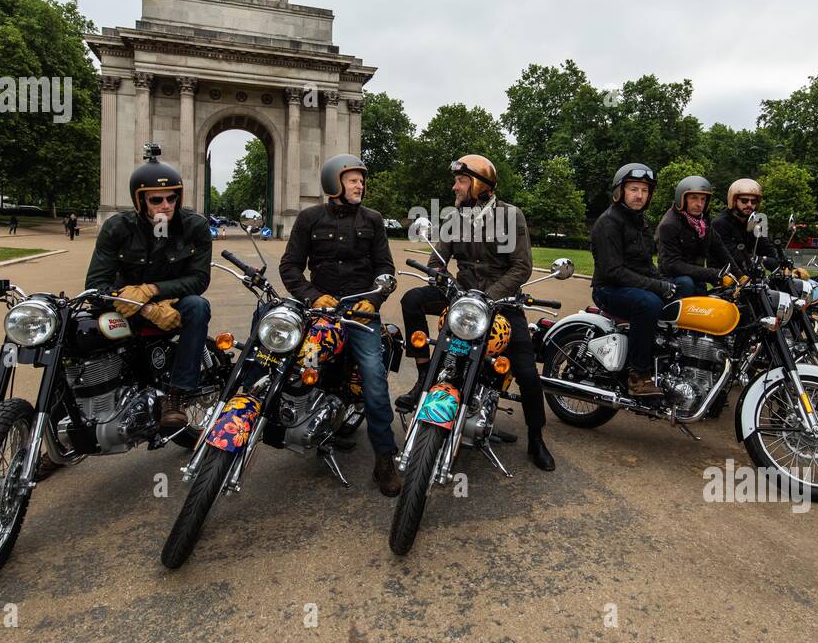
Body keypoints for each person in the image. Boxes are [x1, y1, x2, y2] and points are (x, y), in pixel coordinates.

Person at [394, 154, 555, 471]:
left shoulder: (511, 216)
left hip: (501, 301)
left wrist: (490, 296)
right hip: (462, 297)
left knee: (527, 372)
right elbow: (438, 258)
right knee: (411, 300)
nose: (455, 186)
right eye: (456, 181)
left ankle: (536, 437)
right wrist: (437, 272)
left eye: (461, 181)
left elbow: (521, 267)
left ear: (480, 183)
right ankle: (425, 375)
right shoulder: (455, 218)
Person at [278, 154, 402, 496]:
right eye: (353, 179)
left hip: (361, 312)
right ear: (335, 182)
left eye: (362, 179)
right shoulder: (309, 218)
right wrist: (312, 296)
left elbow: (386, 270)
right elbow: (290, 267)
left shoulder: (374, 220)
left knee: (375, 381)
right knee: (296, 364)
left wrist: (373, 301)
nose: (360, 184)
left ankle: (384, 458)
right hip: (322, 310)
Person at [85, 148, 212, 428]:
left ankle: (177, 394)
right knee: (78, 332)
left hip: (173, 301)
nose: (166, 205)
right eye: (157, 199)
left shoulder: (195, 226)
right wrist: (145, 307)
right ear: (140, 200)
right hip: (125, 303)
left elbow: (199, 280)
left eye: (172, 198)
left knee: (198, 306)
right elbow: (95, 286)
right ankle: (63, 424)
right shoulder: (116, 227)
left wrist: (152, 290)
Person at [589, 163, 677, 399]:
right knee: (648, 303)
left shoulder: (641, 222)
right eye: (634, 189)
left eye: (644, 190)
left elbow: (646, 265)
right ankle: (638, 375)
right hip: (608, 289)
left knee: (685, 292)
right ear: (620, 191)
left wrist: (666, 283)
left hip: (630, 286)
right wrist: (658, 286)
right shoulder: (609, 222)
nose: (639, 195)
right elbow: (613, 271)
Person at [655, 175, 732, 296]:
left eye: (703, 199)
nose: (699, 204)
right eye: (694, 198)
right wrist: (713, 274)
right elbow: (671, 265)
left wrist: (740, 275)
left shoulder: (703, 222)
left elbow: (719, 248)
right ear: (682, 199)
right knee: (686, 283)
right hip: (670, 278)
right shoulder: (669, 224)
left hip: (696, 277)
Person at [711, 179, 778, 276]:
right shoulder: (720, 223)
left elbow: (767, 248)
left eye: (754, 201)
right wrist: (764, 260)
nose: (749, 205)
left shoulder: (757, 221)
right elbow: (735, 255)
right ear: (733, 201)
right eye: (744, 200)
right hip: (726, 277)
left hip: (751, 274)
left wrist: (782, 261)